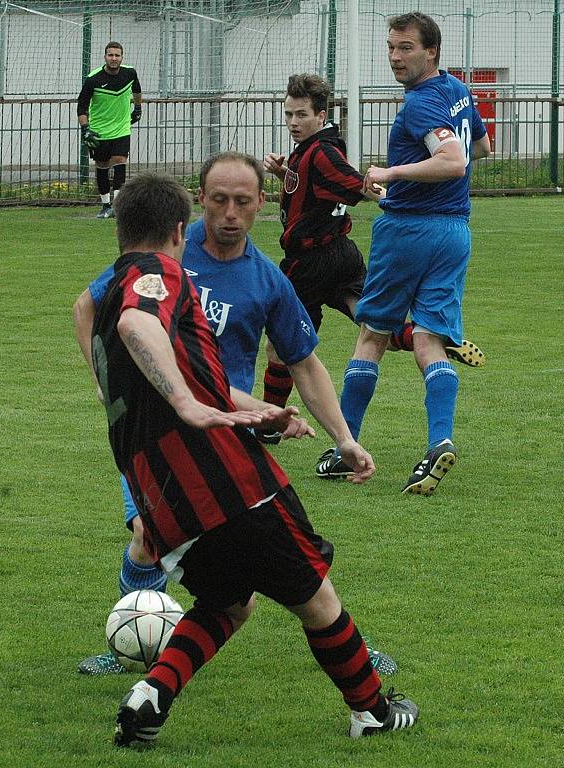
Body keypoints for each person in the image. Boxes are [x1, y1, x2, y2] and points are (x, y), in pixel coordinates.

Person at [85, 170, 418, 747]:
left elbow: (179, 363)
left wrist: (262, 410)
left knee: (228, 603)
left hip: (165, 497)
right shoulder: (156, 272)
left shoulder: (116, 282)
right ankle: (373, 711)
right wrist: (189, 406)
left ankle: (150, 698)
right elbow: (140, 323)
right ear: (179, 228)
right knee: (317, 596)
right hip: (225, 482)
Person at [316, 12, 492, 493]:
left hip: (408, 233)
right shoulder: (458, 90)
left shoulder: (419, 104)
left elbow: (453, 161)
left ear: (431, 51)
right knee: (428, 339)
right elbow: (482, 146)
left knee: (372, 336)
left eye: (406, 48)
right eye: (391, 47)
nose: (395, 56)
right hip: (454, 232)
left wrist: (391, 175)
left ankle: (344, 451)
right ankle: (439, 442)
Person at [261, 72, 485, 449]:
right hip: (341, 255)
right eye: (289, 114)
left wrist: (384, 189)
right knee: (374, 326)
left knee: (280, 345)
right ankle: (424, 337)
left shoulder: (322, 152)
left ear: (320, 115)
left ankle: (265, 425)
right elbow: (319, 186)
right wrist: (285, 172)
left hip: (313, 262)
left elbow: (357, 186)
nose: (294, 122)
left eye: (301, 115)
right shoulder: (311, 149)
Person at [77, 41, 142, 219]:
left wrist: (137, 108)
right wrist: (85, 129)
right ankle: (105, 205)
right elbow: (82, 106)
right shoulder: (93, 79)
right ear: (105, 57)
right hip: (100, 129)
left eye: (117, 55)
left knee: (120, 159)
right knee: (102, 165)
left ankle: (117, 206)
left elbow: (137, 90)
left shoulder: (130, 73)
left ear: (122, 57)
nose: (114, 58)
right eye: (110, 55)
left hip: (121, 128)